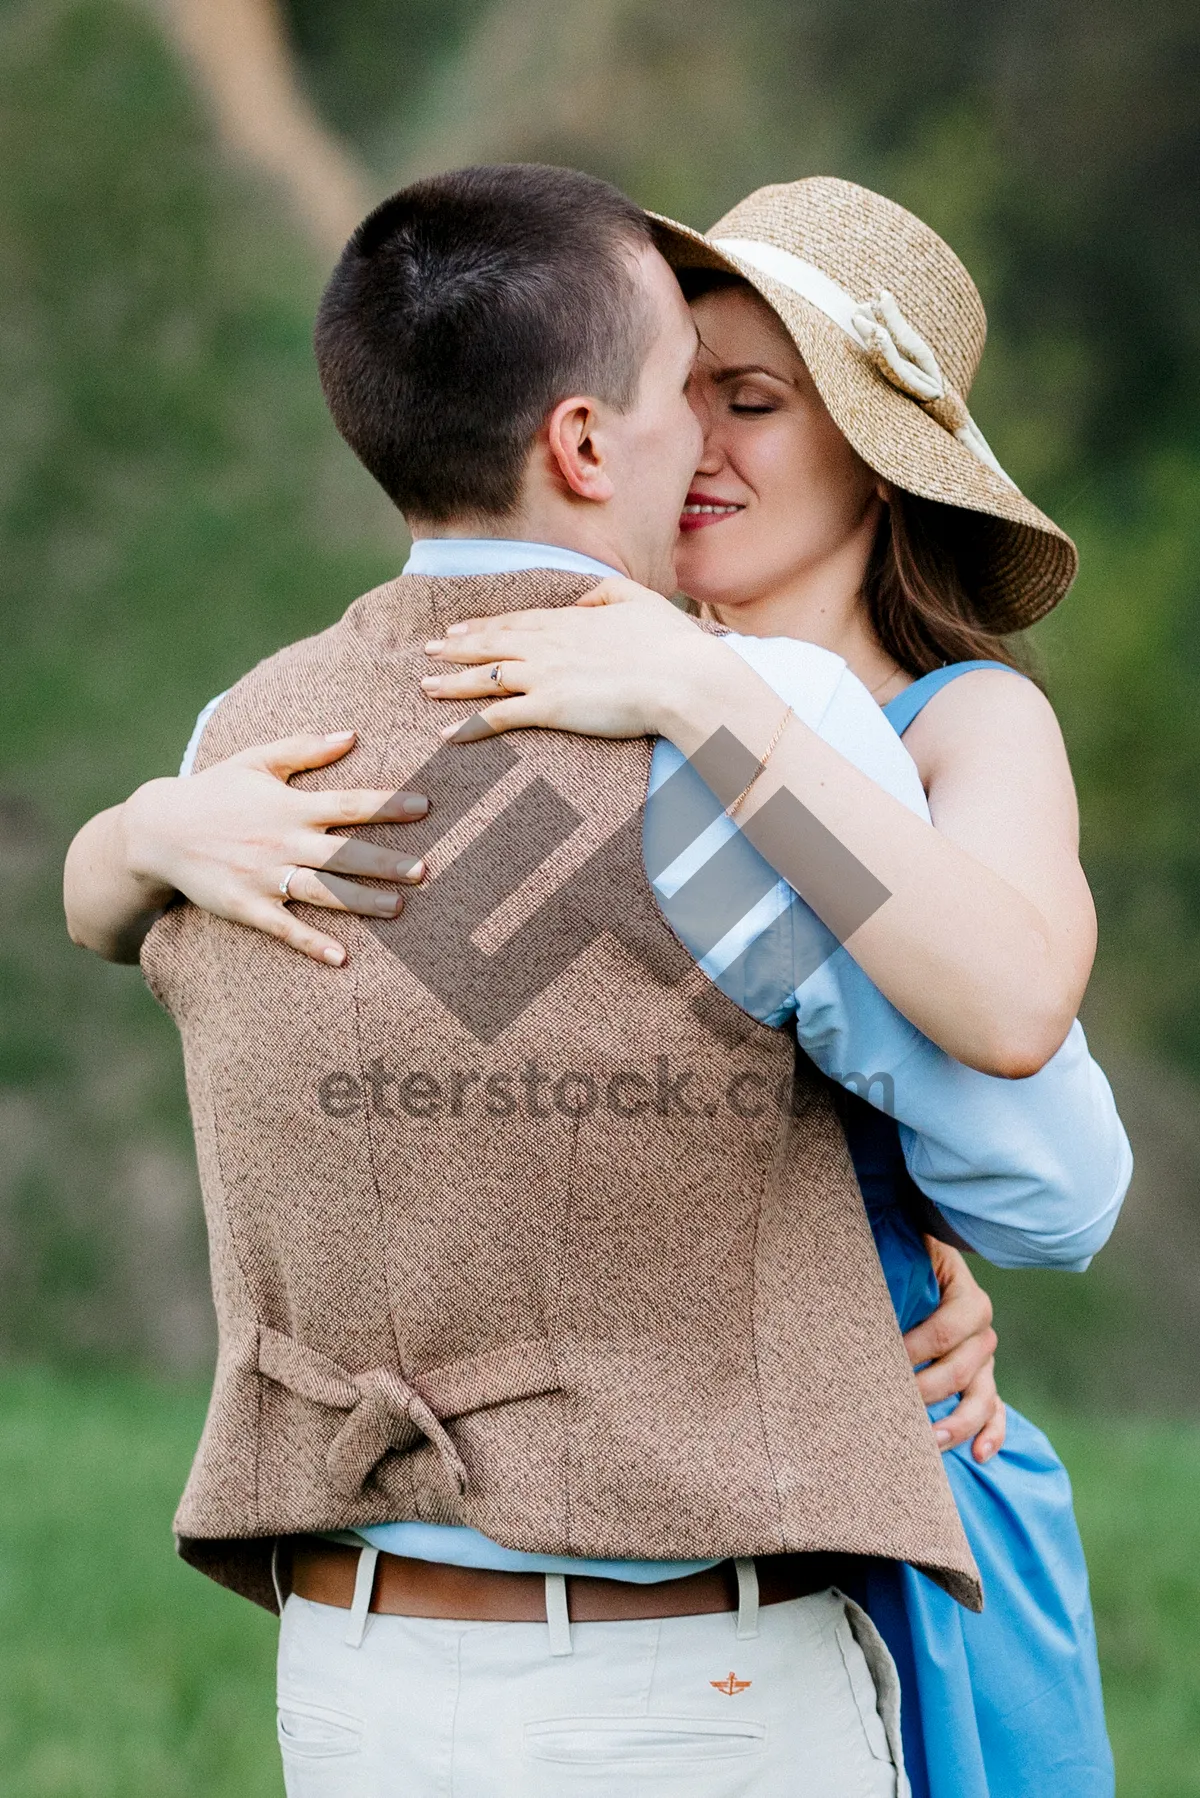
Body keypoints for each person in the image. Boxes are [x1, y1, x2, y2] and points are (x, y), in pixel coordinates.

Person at [61, 167, 1130, 1797]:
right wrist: (141, 834)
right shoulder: (569, 699)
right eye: (679, 392)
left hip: (900, 1495)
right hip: (707, 1554)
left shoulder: (937, 720)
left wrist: (708, 699)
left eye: (750, 401)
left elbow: (1019, 1059)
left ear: (879, 459)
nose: (697, 440)